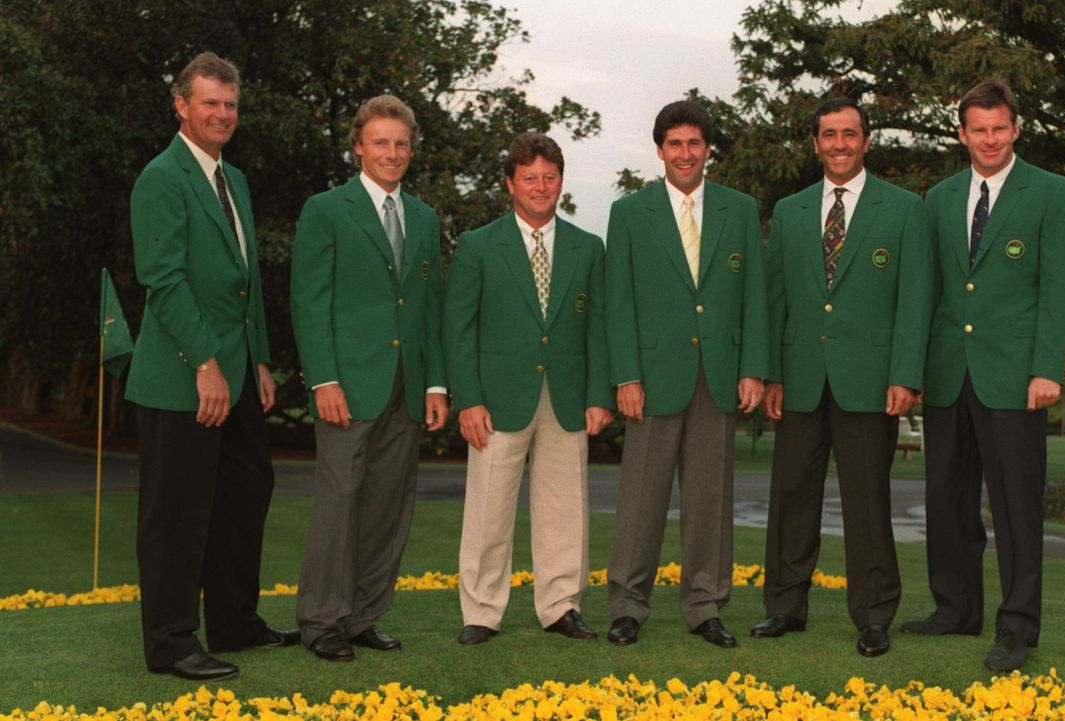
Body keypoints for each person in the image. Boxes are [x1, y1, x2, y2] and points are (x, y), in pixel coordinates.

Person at [899, 80, 1065, 672]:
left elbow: (1061, 288)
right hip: (948, 374)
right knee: (947, 501)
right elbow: (924, 292)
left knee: (1015, 507)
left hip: (1015, 379)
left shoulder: (1054, 195)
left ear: (1016, 129)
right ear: (962, 134)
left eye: (998, 128)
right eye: (977, 129)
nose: (988, 139)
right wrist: (914, 370)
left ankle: (1017, 627)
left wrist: (1046, 368)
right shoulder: (937, 198)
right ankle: (956, 609)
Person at [127, 51, 299, 681]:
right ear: (181, 107)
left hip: (238, 373)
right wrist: (205, 362)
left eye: (229, 104)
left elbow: (244, 285)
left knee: (246, 495)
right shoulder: (161, 178)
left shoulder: (236, 180)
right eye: (209, 102)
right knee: (177, 512)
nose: (222, 113)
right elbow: (164, 281)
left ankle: (235, 621)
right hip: (183, 379)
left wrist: (256, 361)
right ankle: (171, 642)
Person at [751, 98, 930, 657]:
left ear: (866, 141)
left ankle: (874, 616)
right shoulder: (790, 210)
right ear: (815, 143)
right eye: (829, 134)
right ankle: (784, 607)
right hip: (801, 377)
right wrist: (773, 373)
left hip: (871, 380)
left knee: (868, 500)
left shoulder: (904, 210)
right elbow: (775, 297)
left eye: (849, 134)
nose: (839, 144)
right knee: (791, 496)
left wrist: (905, 374)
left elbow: (915, 301)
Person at [290, 94, 449, 662]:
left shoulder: (425, 218)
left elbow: (430, 308)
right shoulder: (326, 209)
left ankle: (362, 615)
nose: (392, 153)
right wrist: (323, 379)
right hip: (347, 385)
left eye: (401, 143)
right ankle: (321, 621)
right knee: (340, 501)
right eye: (380, 142)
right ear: (358, 146)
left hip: (407, 387)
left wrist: (435, 384)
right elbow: (310, 302)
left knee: (387, 504)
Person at [604, 100, 768, 648]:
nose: (684, 153)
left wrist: (753, 369)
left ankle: (705, 605)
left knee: (709, 498)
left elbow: (754, 297)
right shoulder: (630, 213)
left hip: (718, 374)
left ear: (707, 150)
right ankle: (628, 605)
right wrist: (625, 374)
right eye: (674, 144)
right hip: (650, 377)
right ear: (659, 150)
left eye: (694, 143)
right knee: (640, 499)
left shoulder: (740, 209)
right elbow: (618, 302)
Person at [445, 132, 613, 645]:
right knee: (488, 510)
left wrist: (600, 395)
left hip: (566, 398)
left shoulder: (588, 247)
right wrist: (468, 399)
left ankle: (561, 605)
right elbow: (458, 328)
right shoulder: (478, 245)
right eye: (530, 178)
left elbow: (600, 326)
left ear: (561, 181)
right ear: (510, 184)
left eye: (549, 177)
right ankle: (481, 611)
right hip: (496, 402)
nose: (540, 187)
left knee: (566, 508)